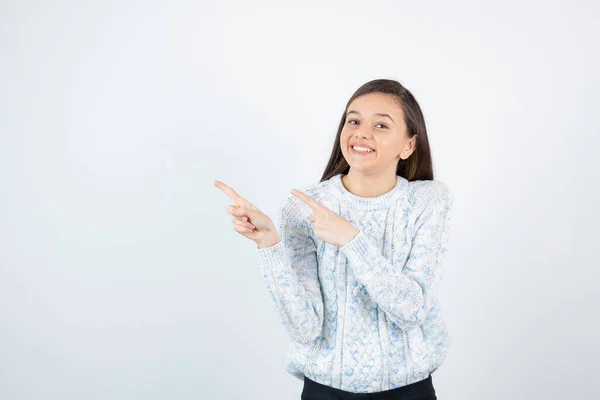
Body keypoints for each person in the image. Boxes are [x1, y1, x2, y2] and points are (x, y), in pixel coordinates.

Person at [214, 78, 453, 399]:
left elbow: (411, 311)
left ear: (408, 145)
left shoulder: (427, 200)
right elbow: (305, 329)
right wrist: (269, 244)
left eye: (381, 125)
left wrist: (352, 240)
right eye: (353, 121)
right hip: (324, 391)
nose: (362, 132)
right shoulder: (302, 207)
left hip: (407, 391)